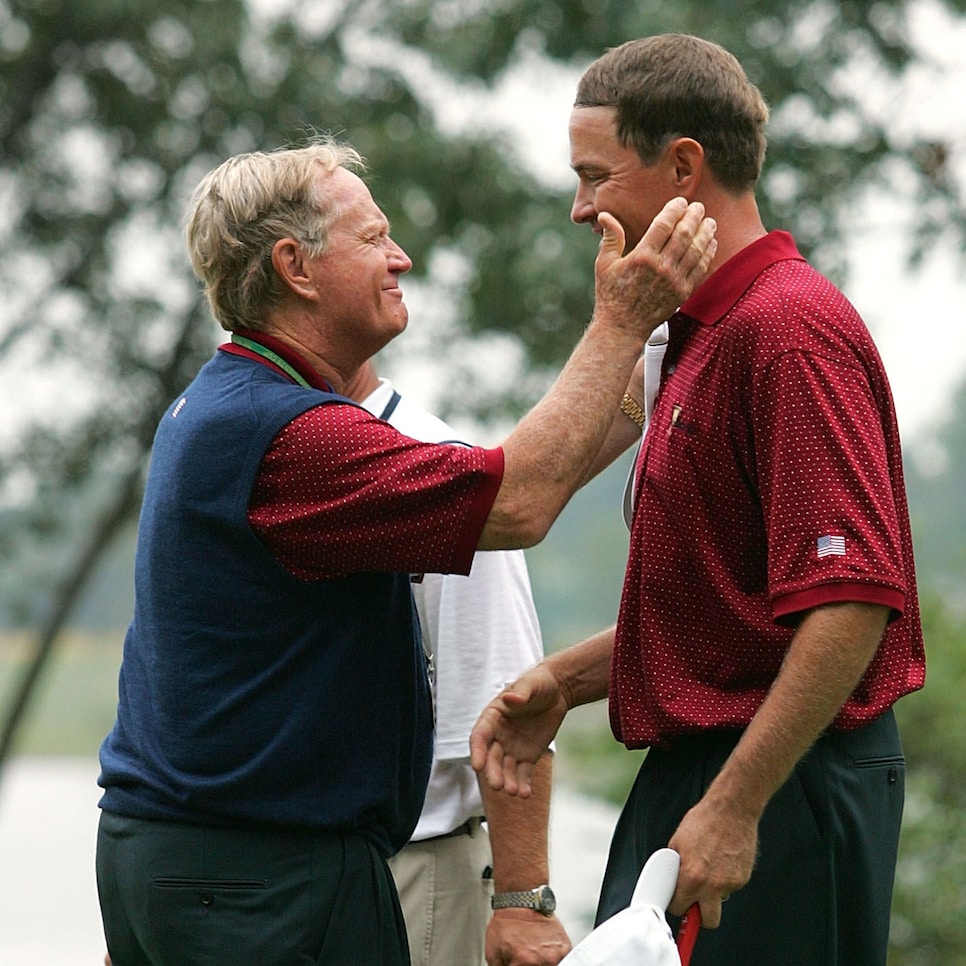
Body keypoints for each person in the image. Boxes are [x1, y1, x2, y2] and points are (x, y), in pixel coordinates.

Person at [94, 134, 716, 966]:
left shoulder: (237, 406)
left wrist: (653, 350)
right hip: (257, 879)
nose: (402, 257)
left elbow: (532, 478)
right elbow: (521, 500)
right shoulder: (291, 436)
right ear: (295, 265)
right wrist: (621, 317)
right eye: (373, 237)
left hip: (212, 863)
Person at [470, 34, 925, 966]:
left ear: (683, 165)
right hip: (713, 778)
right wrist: (566, 682)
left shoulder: (788, 332)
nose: (579, 208)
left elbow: (851, 603)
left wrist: (734, 807)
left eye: (596, 176)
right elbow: (732, 612)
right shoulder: (694, 334)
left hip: (781, 789)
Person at [343, 360, 571, 966]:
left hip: (414, 875)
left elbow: (507, 707)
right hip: (277, 884)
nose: (398, 260)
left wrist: (524, 900)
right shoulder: (241, 448)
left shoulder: (437, 461)